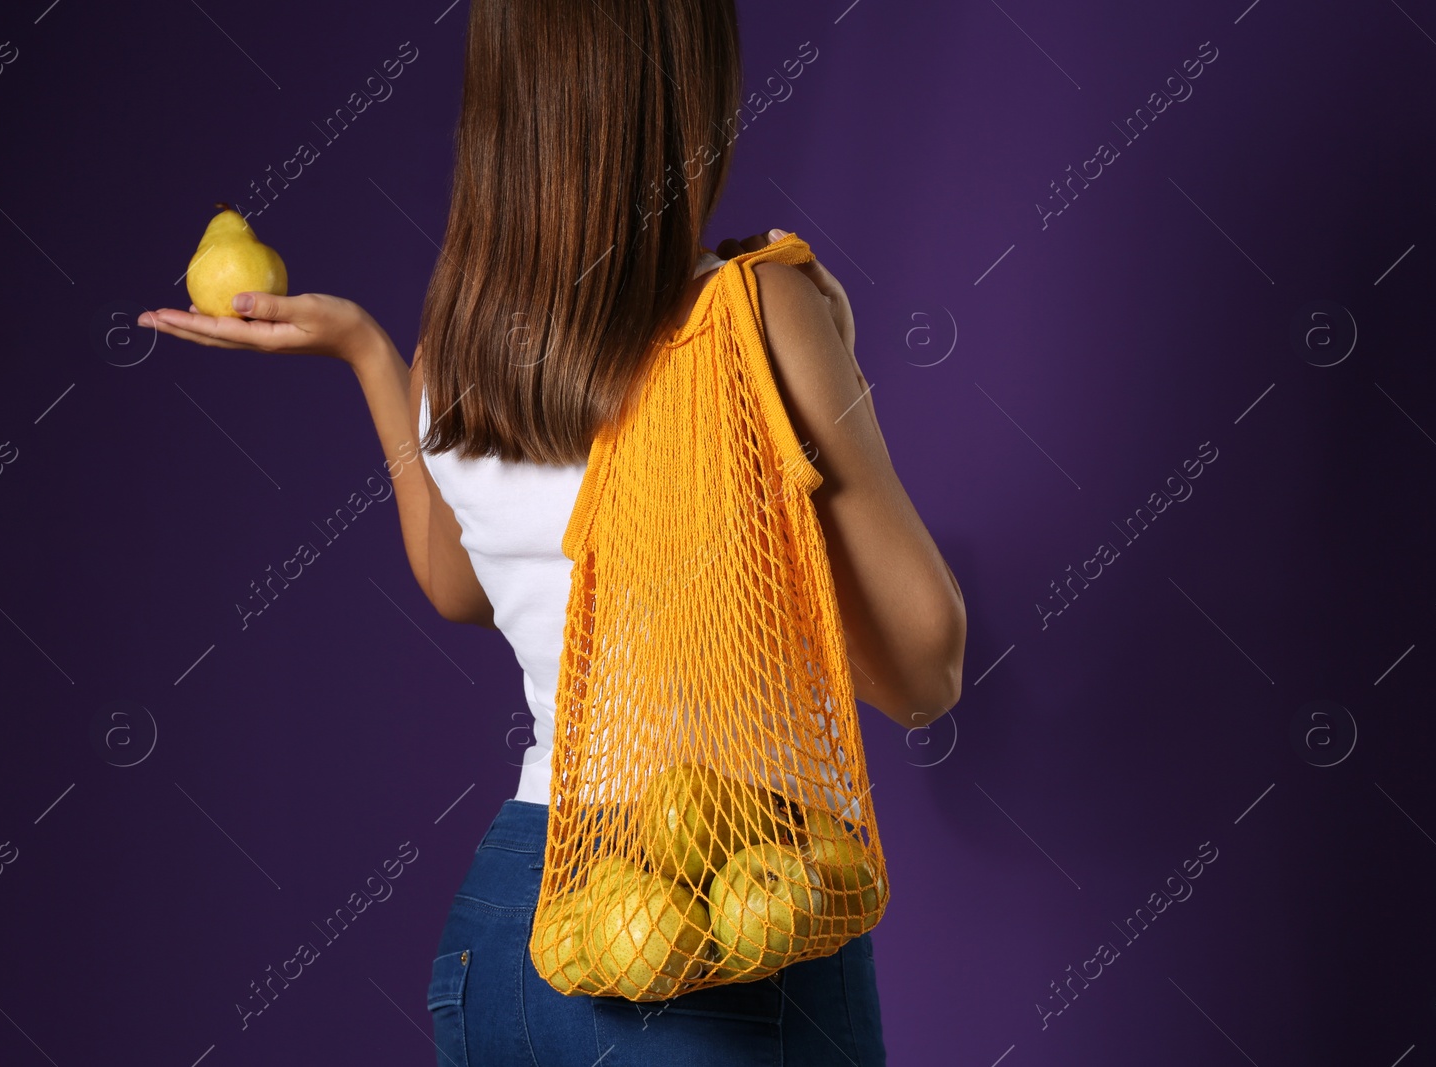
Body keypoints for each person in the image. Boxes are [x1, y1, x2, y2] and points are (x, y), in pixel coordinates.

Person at [140, 1, 965, 1062]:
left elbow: (462, 584)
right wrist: (825, 361)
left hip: (514, 924)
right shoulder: (755, 311)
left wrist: (373, 359)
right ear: (684, 93)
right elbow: (922, 667)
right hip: (714, 928)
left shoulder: (461, 346)